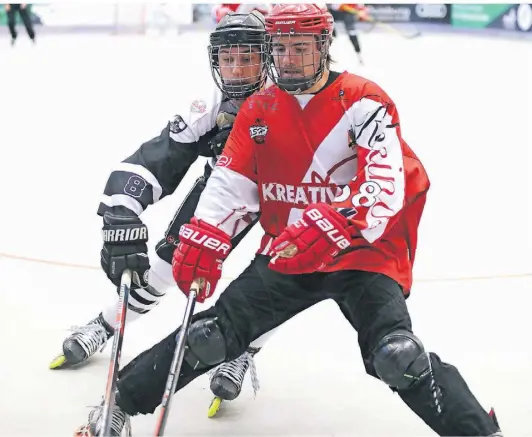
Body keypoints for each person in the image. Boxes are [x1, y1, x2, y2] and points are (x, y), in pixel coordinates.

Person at [74, 4, 502, 436]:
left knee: (397, 356)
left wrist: (336, 219)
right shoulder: (258, 108)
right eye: (280, 48)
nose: (290, 58)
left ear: (324, 46)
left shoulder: (363, 99)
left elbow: (386, 182)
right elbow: (229, 184)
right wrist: (205, 233)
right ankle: (119, 402)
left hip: (363, 257)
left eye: (301, 47)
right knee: (210, 336)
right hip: (292, 251)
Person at [51, 11, 271, 425]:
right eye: (228, 59)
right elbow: (158, 157)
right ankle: (106, 322)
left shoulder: (295, 96)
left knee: (281, 280)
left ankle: (245, 348)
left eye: (248, 58)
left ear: (268, 57)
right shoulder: (210, 105)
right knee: (169, 265)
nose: (237, 69)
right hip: (227, 187)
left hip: (291, 196)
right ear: (214, 61)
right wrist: (120, 210)